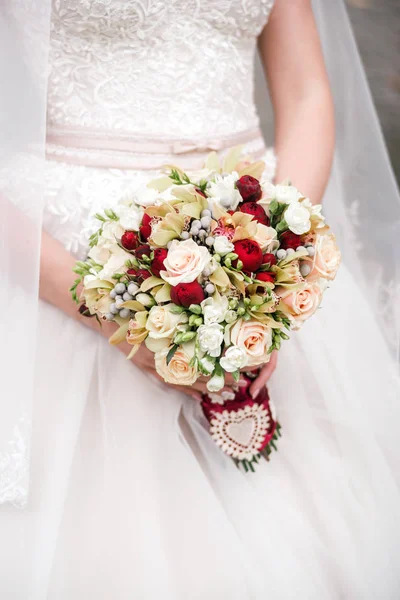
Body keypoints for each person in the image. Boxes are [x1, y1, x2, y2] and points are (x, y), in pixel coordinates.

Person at [1, 1, 399, 598]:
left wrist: (274, 275)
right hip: (64, 250)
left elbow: (306, 93)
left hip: (252, 237)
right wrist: (105, 311)